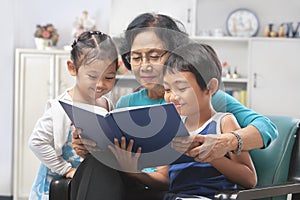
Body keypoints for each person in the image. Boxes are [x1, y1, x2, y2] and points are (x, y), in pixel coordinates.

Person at [71, 12, 277, 200]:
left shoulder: (208, 99)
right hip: (141, 182)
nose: (145, 65)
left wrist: (226, 142)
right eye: (136, 57)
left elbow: (267, 128)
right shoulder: (127, 102)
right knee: (97, 163)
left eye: (154, 55)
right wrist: (91, 147)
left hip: (173, 192)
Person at [28, 30, 118, 200]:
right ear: (73, 68)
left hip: (89, 182)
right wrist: (66, 169)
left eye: (109, 77)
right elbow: (36, 142)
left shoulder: (106, 104)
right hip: (58, 185)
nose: (100, 84)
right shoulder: (61, 107)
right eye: (92, 76)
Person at [160, 42, 257, 199]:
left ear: (210, 87)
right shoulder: (173, 126)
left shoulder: (224, 123)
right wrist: (131, 170)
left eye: (182, 88)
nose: (172, 97)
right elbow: (164, 179)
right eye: (167, 89)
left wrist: (209, 155)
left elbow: (249, 179)